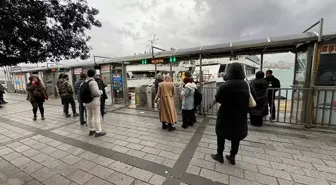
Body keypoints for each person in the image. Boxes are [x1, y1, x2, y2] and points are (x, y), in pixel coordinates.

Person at [210, 63, 249, 165]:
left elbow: (218, 99)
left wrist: (210, 105)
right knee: (236, 136)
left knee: (221, 134)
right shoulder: (245, 84)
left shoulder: (226, 85)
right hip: (240, 114)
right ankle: (232, 157)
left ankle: (219, 155)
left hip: (226, 114)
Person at [83, 69, 106, 137]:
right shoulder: (93, 82)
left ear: (87, 74)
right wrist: (101, 92)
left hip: (86, 102)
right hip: (94, 102)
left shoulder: (85, 82)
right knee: (96, 117)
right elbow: (96, 93)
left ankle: (91, 130)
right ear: (94, 74)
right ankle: (98, 131)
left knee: (89, 116)